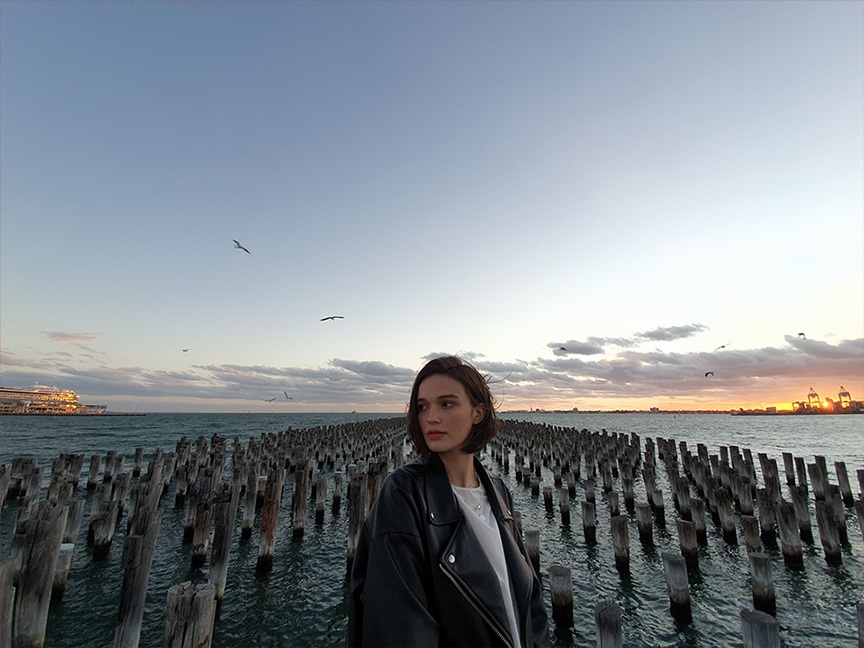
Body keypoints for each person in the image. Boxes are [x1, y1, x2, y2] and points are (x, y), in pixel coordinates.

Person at [348, 355, 550, 648]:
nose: (431, 417)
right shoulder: (404, 493)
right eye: (422, 407)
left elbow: (530, 605)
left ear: (478, 413)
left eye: (447, 403)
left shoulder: (497, 490)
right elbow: (401, 628)